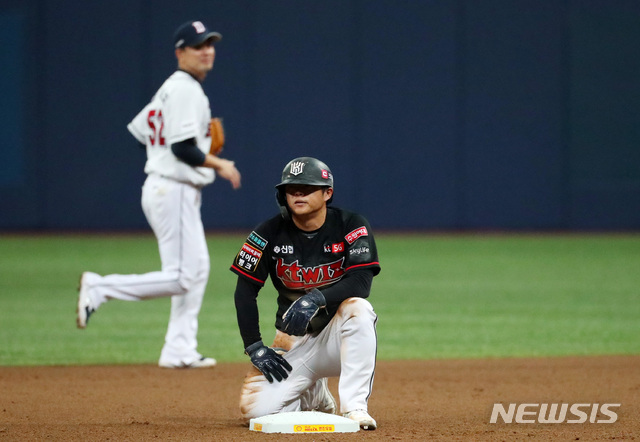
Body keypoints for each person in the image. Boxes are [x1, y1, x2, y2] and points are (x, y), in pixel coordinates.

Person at [76, 20, 241, 369]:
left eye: (210, 44)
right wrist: (219, 164)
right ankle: (99, 287)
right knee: (183, 275)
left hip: (168, 186)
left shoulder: (171, 88)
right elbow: (181, 148)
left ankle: (179, 348)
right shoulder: (185, 90)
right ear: (180, 52)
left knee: (196, 271)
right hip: (174, 187)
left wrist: (165, 156)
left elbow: (142, 130)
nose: (207, 50)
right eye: (198, 46)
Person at [230, 157, 380, 430]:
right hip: (292, 341)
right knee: (256, 413)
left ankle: (355, 408)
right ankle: (315, 394)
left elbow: (361, 281)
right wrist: (254, 346)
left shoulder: (351, 224)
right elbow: (245, 291)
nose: (298, 194)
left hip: (337, 336)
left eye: (307, 188)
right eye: (292, 189)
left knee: (359, 309)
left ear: (327, 193)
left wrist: (315, 298)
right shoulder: (267, 233)